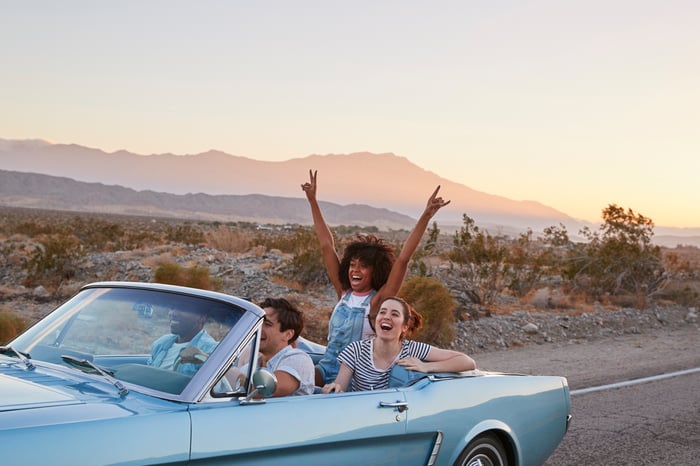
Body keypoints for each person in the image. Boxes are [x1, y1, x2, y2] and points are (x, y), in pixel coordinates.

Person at [301, 169, 450, 385]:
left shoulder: (377, 302)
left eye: (363, 267)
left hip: (354, 378)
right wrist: (313, 201)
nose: (355, 270)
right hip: (326, 368)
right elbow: (326, 246)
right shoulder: (343, 293)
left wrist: (426, 216)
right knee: (295, 377)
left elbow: (403, 260)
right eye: (352, 265)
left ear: (376, 270)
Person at [322, 296, 476, 393]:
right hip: (362, 419)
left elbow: (468, 362)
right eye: (382, 312)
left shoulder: (413, 349)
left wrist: (426, 367)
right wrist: (332, 389)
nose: (386, 317)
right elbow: (339, 388)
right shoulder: (355, 350)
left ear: (404, 327)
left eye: (394, 314)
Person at [258, 297, 315, 396]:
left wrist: (237, 378)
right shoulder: (254, 362)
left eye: (267, 324)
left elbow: (267, 388)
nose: (258, 328)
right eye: (258, 322)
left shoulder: (298, 359)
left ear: (288, 334)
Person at [148, 305, 218, 376]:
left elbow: (223, 382)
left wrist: (206, 360)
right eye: (172, 308)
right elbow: (148, 374)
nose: (173, 313)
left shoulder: (212, 350)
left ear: (201, 317)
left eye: (182, 309)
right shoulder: (161, 342)